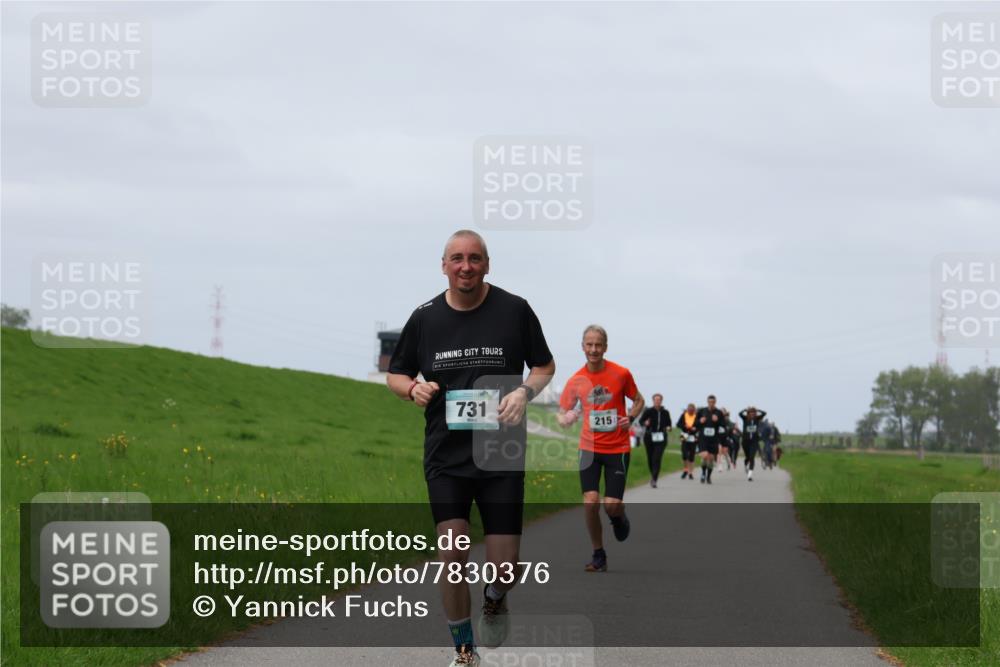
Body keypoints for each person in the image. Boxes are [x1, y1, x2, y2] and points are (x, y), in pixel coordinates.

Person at [386, 230, 555, 667]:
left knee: (506, 567)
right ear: (443, 265)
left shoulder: (514, 310)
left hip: (500, 452)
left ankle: (495, 597)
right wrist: (412, 390)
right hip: (447, 455)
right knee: (452, 549)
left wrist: (523, 393)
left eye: (475, 258)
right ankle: (464, 649)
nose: (466, 266)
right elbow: (397, 372)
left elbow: (544, 365)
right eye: (457, 258)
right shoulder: (424, 318)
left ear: (487, 264)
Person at [558, 325, 644, 573]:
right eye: (589, 344)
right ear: (582, 346)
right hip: (589, 448)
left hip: (618, 447)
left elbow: (639, 399)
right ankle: (598, 554)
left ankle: (618, 516)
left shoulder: (621, 374)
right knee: (590, 501)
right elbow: (562, 413)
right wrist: (565, 419)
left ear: (605, 347)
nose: (593, 349)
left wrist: (631, 416)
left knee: (612, 504)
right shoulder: (575, 380)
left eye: (598, 345)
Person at [639, 393, 672, 487]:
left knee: (657, 458)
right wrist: (645, 422)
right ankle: (653, 474)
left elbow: (669, 423)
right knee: (650, 458)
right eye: (656, 400)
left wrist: (669, 427)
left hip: (661, 437)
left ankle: (654, 479)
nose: (657, 401)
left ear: (661, 401)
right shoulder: (648, 411)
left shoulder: (665, 412)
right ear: (653, 401)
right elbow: (641, 421)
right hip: (649, 436)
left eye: (659, 400)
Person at [696, 395, 725, 484]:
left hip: (714, 439)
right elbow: (695, 423)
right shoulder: (701, 411)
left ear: (715, 402)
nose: (711, 404)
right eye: (709, 402)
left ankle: (708, 477)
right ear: (707, 402)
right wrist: (700, 421)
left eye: (713, 402)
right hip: (703, 438)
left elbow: (723, 425)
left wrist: (717, 421)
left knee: (711, 459)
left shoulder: (719, 412)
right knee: (705, 456)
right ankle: (703, 473)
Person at [738, 406, 767, 481]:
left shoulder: (757, 419)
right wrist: (745, 409)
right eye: (750, 413)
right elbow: (739, 414)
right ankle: (745, 464)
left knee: (752, 457)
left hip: (754, 441)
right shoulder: (745, 419)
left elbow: (764, 413)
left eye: (753, 413)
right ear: (748, 413)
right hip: (745, 441)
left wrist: (758, 410)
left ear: (755, 413)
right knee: (747, 457)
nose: (752, 414)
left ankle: (750, 475)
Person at [676, 403, 699, 480]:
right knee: (684, 454)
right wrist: (684, 426)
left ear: (694, 410)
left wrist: (695, 428)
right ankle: (685, 469)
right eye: (689, 410)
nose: (690, 412)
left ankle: (690, 472)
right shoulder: (683, 415)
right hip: (684, 435)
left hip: (693, 436)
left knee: (692, 455)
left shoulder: (696, 416)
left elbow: (700, 425)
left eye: (692, 410)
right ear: (687, 410)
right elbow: (678, 424)